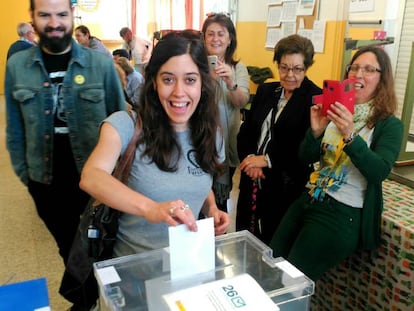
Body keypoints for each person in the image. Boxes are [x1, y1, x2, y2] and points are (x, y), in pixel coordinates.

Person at [79, 29, 230, 257]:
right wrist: (151, 208)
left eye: (190, 80)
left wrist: (211, 208)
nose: (179, 92)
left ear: (202, 84)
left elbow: (197, 177)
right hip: (134, 272)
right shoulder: (126, 125)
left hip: (188, 266)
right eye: (168, 79)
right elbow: (92, 176)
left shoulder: (211, 133)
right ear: (154, 82)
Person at [5, 0, 125, 270]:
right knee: (67, 246)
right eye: (44, 14)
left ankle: (100, 299)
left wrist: (116, 178)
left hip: (96, 177)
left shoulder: (100, 64)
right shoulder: (17, 67)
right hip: (45, 180)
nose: (54, 22)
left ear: (72, 15)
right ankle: (85, 299)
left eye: (61, 14)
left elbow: (121, 123)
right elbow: (15, 132)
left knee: (102, 243)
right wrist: (29, 179)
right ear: (33, 18)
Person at [269, 45, 404, 281]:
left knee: (291, 282)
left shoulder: (389, 124)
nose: (359, 74)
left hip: (340, 215)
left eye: (369, 69)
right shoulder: (339, 109)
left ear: (383, 79)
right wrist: (315, 132)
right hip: (309, 198)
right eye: (355, 68)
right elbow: (306, 157)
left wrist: (350, 135)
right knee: (271, 262)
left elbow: (379, 171)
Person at [236, 34, 322, 244]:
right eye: (284, 67)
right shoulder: (267, 90)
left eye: (297, 69)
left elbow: (306, 147)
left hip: (285, 186)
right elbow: (246, 132)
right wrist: (250, 160)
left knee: (275, 243)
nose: (289, 74)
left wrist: (267, 160)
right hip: (252, 178)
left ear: (306, 67)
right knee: (245, 238)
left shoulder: (314, 97)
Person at [201, 13, 250, 213]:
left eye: (221, 34)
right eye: (210, 34)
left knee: (218, 205)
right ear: (203, 38)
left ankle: (215, 240)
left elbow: (241, 102)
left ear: (230, 39)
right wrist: (208, 79)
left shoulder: (238, 67)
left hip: (225, 145)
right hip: (198, 142)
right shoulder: (195, 66)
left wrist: (231, 83)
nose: (215, 39)